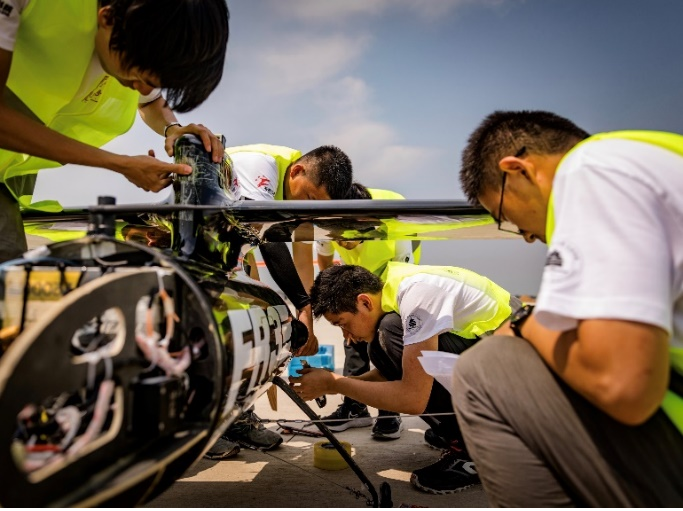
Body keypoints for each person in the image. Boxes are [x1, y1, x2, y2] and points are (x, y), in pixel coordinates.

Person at [454, 109, 683, 506]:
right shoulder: (653, 158)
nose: (526, 237)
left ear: (517, 171)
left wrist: (524, 321)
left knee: (483, 368)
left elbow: (622, 386)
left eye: (505, 217)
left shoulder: (590, 171)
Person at [0, 0, 230, 263]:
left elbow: (151, 101)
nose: (143, 89)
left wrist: (173, 129)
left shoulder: (132, 26)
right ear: (107, 18)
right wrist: (121, 164)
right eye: (139, 78)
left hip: (10, 173)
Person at [290, 262, 520, 495]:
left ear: (365, 302)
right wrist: (333, 386)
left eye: (343, 324)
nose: (347, 336)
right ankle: (462, 434)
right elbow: (399, 372)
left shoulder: (417, 297)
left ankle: (476, 453)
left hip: (521, 384)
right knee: (380, 347)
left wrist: (333, 383)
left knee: (388, 332)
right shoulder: (395, 288)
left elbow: (412, 398)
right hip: (504, 366)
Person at [206, 143, 354, 458]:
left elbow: (294, 252)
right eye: (310, 199)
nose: (308, 211)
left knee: (265, 327)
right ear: (297, 171)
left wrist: (305, 311)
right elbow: (268, 238)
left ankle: (236, 416)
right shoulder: (261, 165)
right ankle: (203, 426)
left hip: (224, 260)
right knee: (215, 339)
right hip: (190, 258)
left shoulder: (295, 198)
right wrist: (302, 305)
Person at [312, 183, 422, 441]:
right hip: (354, 281)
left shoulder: (394, 212)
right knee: (352, 337)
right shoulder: (326, 217)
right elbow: (325, 263)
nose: (343, 244)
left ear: (365, 223)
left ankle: (389, 411)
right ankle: (355, 406)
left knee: (385, 334)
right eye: (338, 238)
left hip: (392, 278)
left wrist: (369, 321)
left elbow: (402, 272)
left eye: (348, 237)